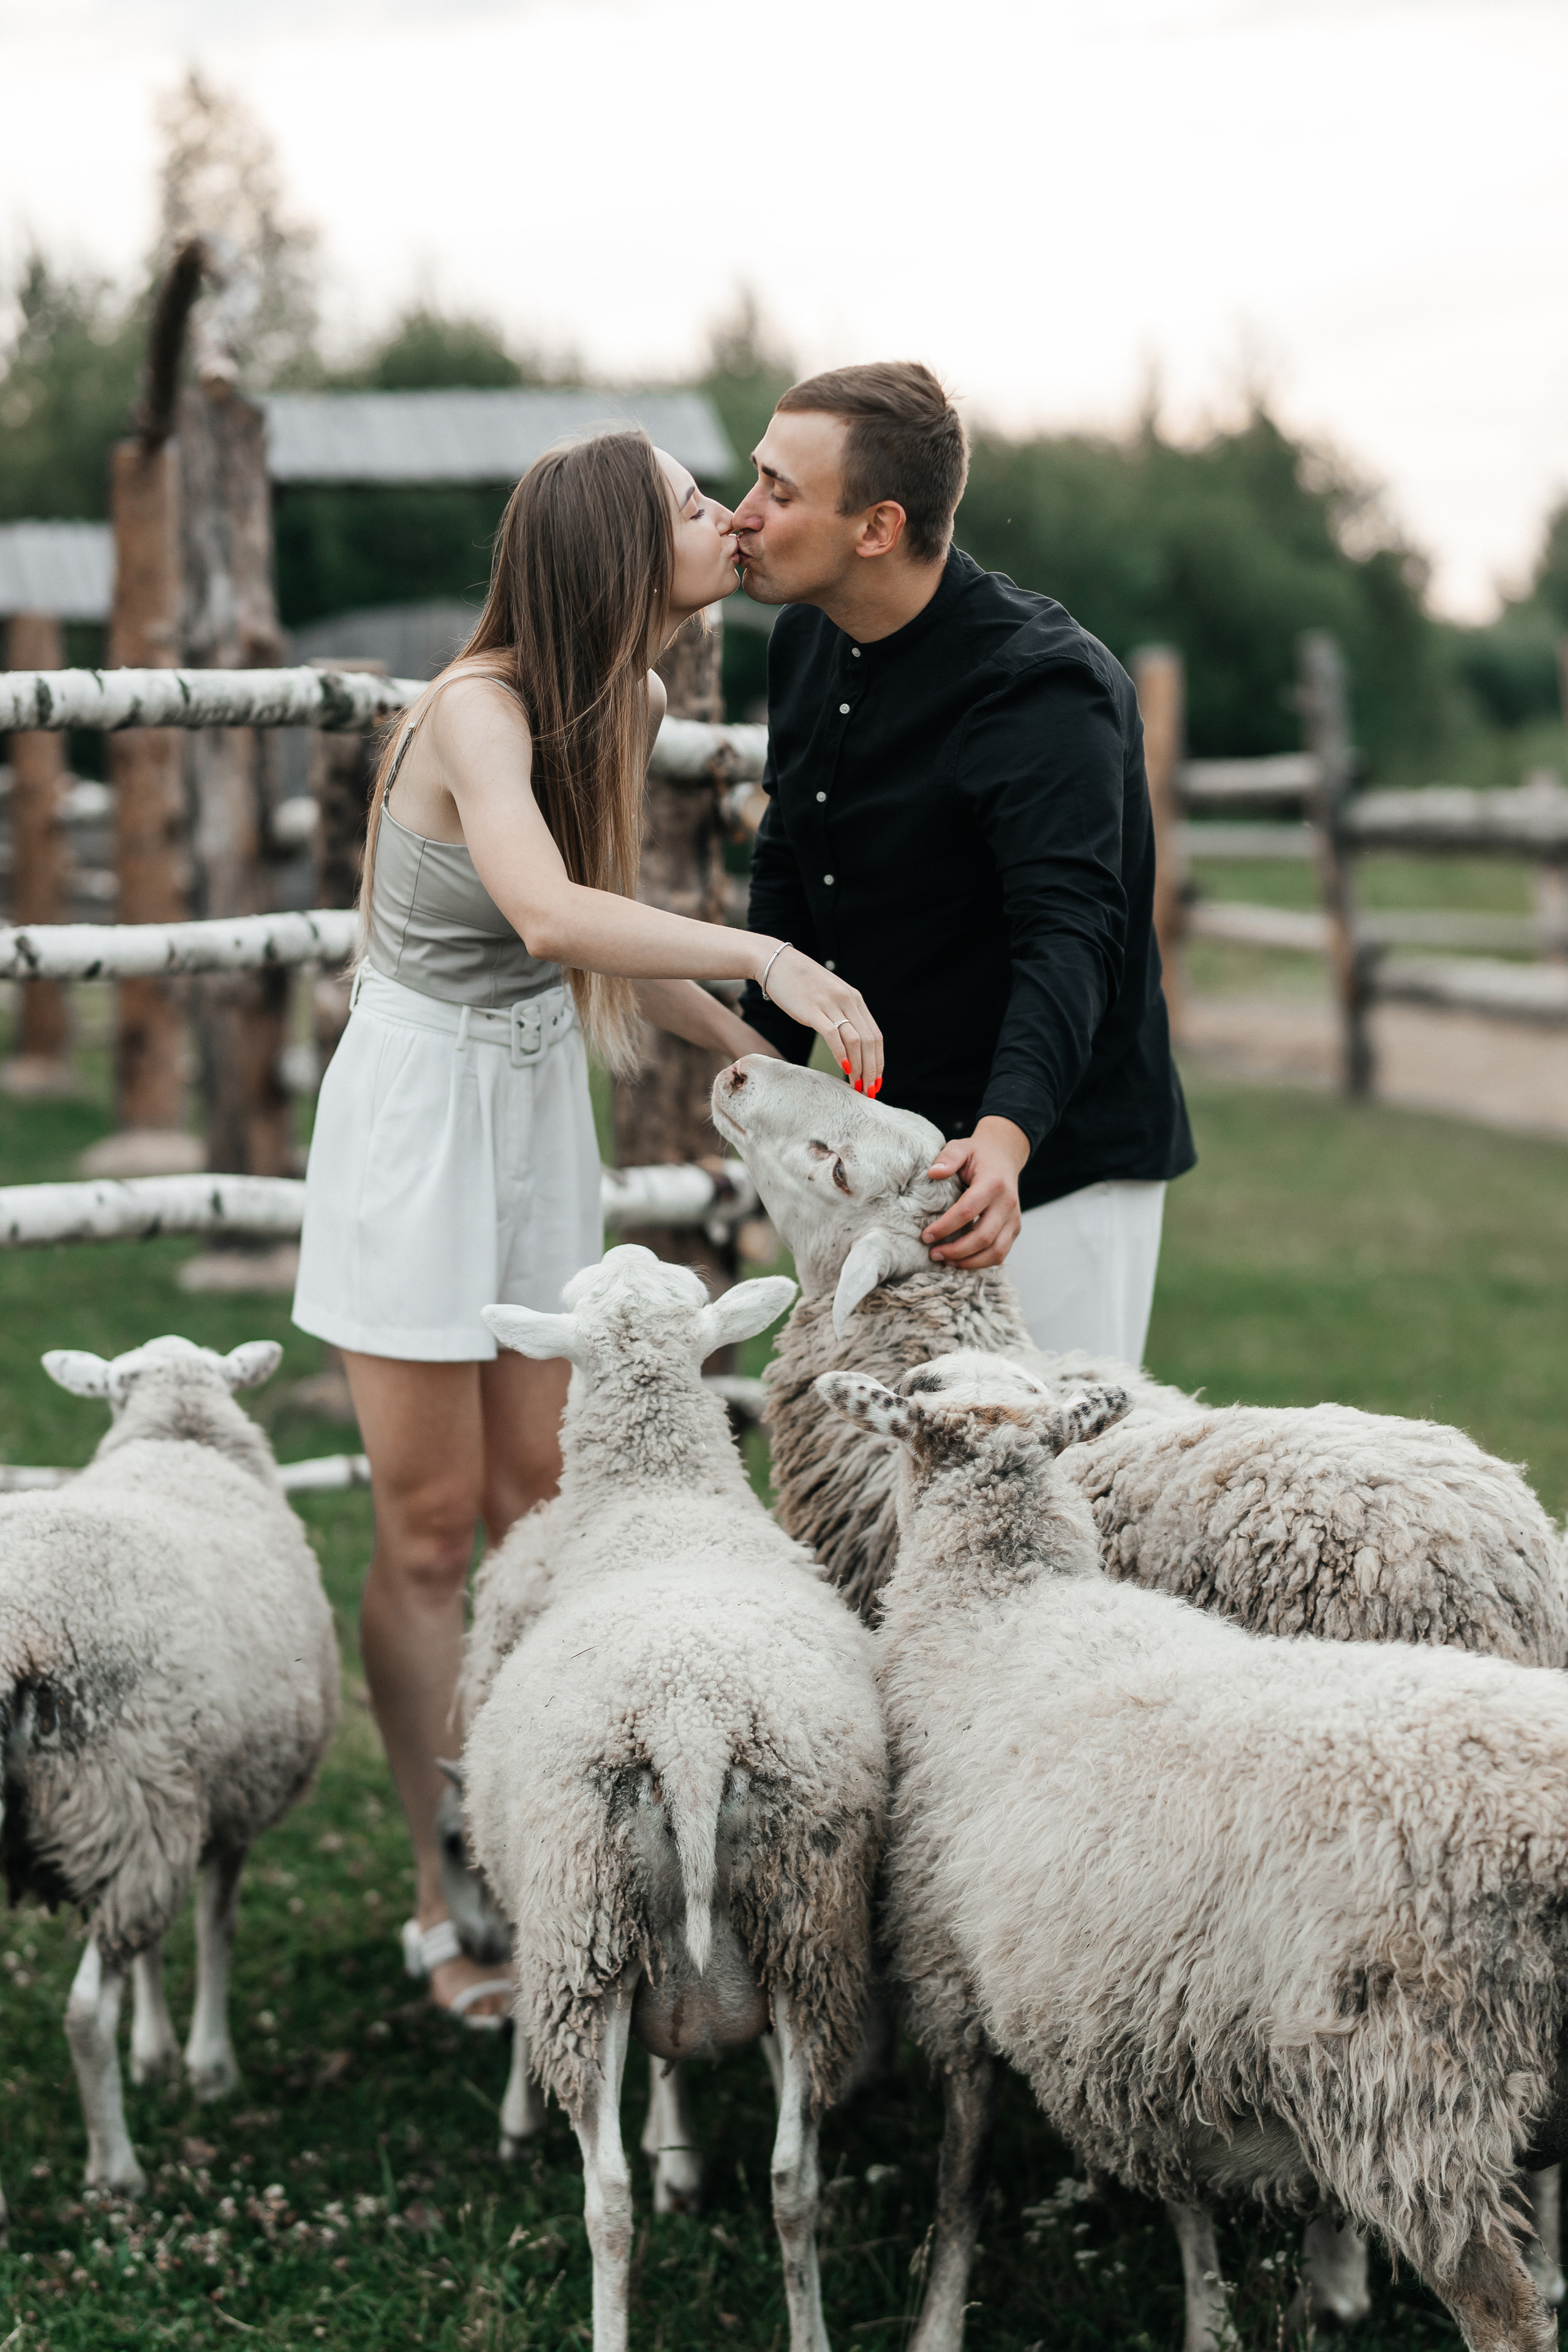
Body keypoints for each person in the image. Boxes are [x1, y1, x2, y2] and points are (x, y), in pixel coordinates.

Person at [292, 430, 883, 2019]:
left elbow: (595, 948)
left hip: (533, 1102)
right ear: (621, 556)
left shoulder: (625, 700)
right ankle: (441, 1896)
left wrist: (760, 1063)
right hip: (422, 1122)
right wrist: (769, 953)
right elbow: (549, 912)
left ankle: (560, 1854)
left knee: (538, 1511)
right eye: (698, 508)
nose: (725, 523)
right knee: (424, 1526)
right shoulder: (474, 714)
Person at [731, 360, 1195, 1365]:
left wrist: (1007, 1136)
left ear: (878, 528)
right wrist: (752, 1068)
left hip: (1049, 1162)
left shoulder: (1043, 690)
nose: (744, 514)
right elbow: (789, 866)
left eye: (779, 490)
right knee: (892, 1487)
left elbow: (1071, 936)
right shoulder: (804, 640)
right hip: (883, 1150)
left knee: (1061, 1484)